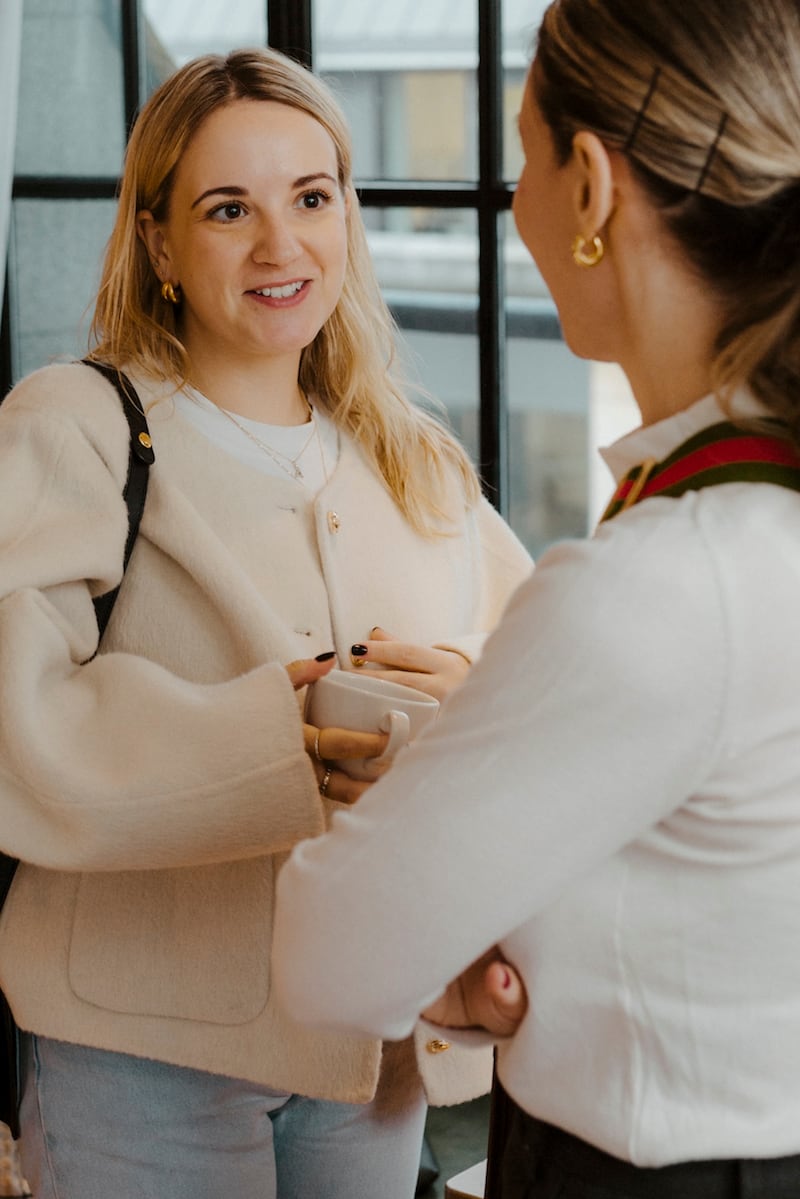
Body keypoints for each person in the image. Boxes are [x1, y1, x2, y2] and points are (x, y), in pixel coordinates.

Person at [272, 1, 800, 1196]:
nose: (512, 203)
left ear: (593, 190)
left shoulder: (664, 579)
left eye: (521, 157)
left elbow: (326, 954)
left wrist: (446, 768)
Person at [0, 47, 533, 1199]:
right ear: (158, 243)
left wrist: (452, 686)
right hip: (140, 1049)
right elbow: (16, 725)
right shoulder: (75, 427)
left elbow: (538, 674)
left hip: (371, 1051)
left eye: (311, 197)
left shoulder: (419, 464)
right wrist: (278, 734)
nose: (280, 246)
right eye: (227, 208)